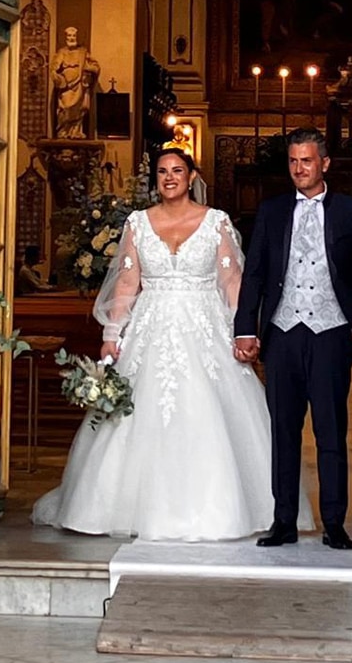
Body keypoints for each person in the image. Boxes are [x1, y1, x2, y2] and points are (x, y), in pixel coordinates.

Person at [33, 148, 311, 541]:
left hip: (205, 327)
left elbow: (232, 282)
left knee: (211, 411)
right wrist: (112, 334)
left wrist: (244, 330)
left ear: (191, 176)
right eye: (162, 171)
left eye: (177, 170)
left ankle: (226, 508)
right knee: (136, 415)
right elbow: (127, 282)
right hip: (150, 326)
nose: (169, 177)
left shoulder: (215, 222)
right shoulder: (138, 223)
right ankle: (124, 507)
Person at [234, 128, 352, 551]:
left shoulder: (351, 211)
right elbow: (255, 274)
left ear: (324, 164)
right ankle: (283, 520)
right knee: (283, 432)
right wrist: (245, 328)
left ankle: (334, 523)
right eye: (293, 161)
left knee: (330, 431)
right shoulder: (271, 211)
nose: (299, 169)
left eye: (306, 161)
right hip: (282, 334)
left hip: (331, 333)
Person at [50, 26, 100, 140]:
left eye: (74, 36)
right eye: (69, 36)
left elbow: (95, 67)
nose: (71, 38)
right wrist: (56, 75)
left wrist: (88, 68)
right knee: (66, 108)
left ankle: (76, 131)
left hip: (80, 86)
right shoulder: (61, 52)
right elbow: (54, 67)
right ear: (65, 37)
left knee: (80, 109)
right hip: (66, 87)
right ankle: (63, 131)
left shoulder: (83, 52)